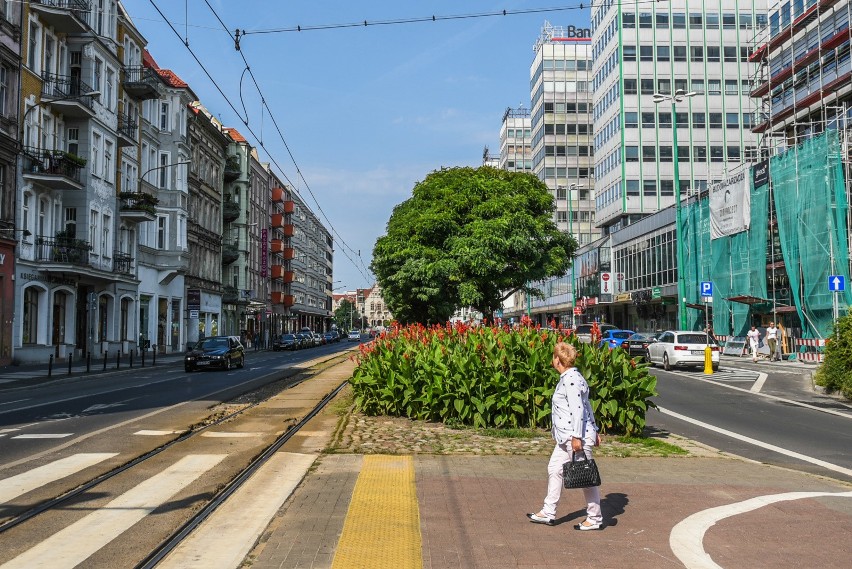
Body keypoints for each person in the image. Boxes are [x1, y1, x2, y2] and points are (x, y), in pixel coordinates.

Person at [527, 342, 603, 531]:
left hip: (573, 437)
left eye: (553, 357)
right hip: (565, 437)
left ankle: (594, 518)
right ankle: (548, 511)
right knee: (554, 469)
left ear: (558, 360)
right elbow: (587, 406)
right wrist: (595, 429)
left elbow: (578, 409)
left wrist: (579, 436)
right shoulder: (571, 377)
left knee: (586, 477)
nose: (552, 360)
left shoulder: (570, 380)